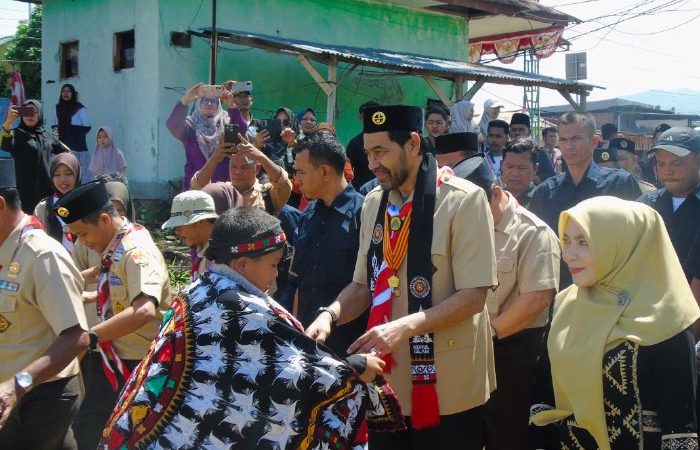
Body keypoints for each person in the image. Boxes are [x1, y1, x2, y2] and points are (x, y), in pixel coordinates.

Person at [99, 206, 389, 449]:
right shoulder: (240, 308)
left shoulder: (200, 290)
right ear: (242, 264)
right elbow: (290, 373)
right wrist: (352, 369)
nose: (275, 278)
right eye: (274, 265)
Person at [306, 105, 498, 450]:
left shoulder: (463, 201)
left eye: (380, 151)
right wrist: (329, 315)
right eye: (368, 153)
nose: (372, 163)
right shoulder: (373, 203)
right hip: (388, 383)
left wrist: (404, 327)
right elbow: (362, 285)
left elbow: (474, 296)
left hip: (447, 384)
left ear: (413, 144)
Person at [531, 196, 699, 450]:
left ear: (621, 245)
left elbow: (680, 423)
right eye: (566, 241)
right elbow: (545, 393)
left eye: (583, 242)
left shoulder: (665, 317)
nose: (569, 255)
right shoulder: (567, 305)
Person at [456, 150, 560, 450]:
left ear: (497, 194)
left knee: (506, 435)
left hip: (511, 350)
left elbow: (537, 299)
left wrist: (486, 334)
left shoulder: (533, 232)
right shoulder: (467, 229)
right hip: (468, 348)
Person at [56, 181, 171, 450]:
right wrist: (91, 296)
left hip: (137, 364)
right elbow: (120, 292)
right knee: (91, 430)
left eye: (83, 234)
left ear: (105, 219)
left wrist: (89, 337)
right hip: (110, 359)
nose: (83, 243)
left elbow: (144, 309)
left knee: (117, 435)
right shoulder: (114, 245)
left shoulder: (135, 251)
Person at [0, 158, 89, 450]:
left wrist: (18, 384)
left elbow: (77, 336)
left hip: (39, 395)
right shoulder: (5, 247)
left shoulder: (43, 255)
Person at [529, 112, 642, 289]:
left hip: (610, 289)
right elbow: (537, 247)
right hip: (560, 291)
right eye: (563, 139)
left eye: (576, 138)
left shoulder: (620, 184)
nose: (569, 146)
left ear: (594, 141)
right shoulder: (545, 192)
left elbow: (638, 240)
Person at [279, 132, 368, 355]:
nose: (296, 180)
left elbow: (369, 285)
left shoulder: (365, 214)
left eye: (301, 172)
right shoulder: (308, 215)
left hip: (349, 348)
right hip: (309, 343)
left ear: (325, 172)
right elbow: (298, 282)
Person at [638, 127, 700, 283]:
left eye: (676, 163)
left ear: (698, 160)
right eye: (661, 164)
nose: (668, 171)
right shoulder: (646, 204)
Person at [191, 134, 292, 215]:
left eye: (244, 167)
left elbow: (283, 183)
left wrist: (261, 157)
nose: (238, 172)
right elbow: (198, 187)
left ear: (257, 169)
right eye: (234, 167)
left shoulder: (268, 194)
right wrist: (214, 158)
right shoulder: (221, 192)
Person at [167, 82, 241, 191]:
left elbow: (241, 134)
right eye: (205, 100)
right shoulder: (190, 128)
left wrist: (232, 105)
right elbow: (173, 125)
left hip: (221, 190)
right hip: (195, 191)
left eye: (214, 101)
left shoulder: (227, 126)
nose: (209, 104)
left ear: (218, 105)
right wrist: (185, 100)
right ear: (199, 104)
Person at [1, 100, 69, 214]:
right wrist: (8, 122)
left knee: (46, 219)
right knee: (27, 220)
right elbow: (4, 145)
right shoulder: (16, 134)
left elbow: (66, 153)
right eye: (27, 111)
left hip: (47, 190)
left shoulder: (47, 135)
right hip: (24, 190)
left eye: (34, 112)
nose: (30, 115)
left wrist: (58, 173)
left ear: (40, 114)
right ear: (21, 114)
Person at [161, 190, 219, 283]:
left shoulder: (219, 259)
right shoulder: (203, 253)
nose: (177, 231)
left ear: (201, 221)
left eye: (180, 225)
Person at [34, 152, 82, 253]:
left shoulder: (88, 202)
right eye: (57, 174)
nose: (62, 180)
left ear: (77, 174)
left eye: (68, 174)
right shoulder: (43, 208)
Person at [51, 84, 91, 179]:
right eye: (63, 91)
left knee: (79, 174)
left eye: (68, 91)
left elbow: (87, 127)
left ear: (73, 94)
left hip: (77, 146)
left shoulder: (80, 108)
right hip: (61, 146)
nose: (66, 93)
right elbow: (54, 126)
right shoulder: (57, 108)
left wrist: (73, 131)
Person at [509, 113, 556, 183]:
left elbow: (550, 176)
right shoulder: (505, 152)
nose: (517, 133)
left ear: (529, 133)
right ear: (509, 133)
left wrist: (528, 178)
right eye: (514, 130)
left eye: (521, 130)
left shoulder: (538, 153)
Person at [346, 101, 380, 189]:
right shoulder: (354, 143)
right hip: (361, 192)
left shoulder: (388, 141)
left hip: (384, 190)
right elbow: (346, 172)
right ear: (360, 117)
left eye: (374, 114)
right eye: (367, 115)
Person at [501, 139, 539, 208]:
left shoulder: (543, 200)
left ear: (535, 169)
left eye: (522, 168)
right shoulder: (493, 198)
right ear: (501, 165)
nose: (514, 174)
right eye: (509, 166)